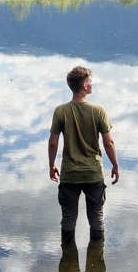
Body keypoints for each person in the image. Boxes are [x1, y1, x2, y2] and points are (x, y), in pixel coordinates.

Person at [47, 65, 120, 241]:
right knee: (96, 219)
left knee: (68, 219)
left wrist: (52, 166)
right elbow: (108, 143)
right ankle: (97, 259)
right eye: (90, 81)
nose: (92, 84)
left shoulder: (60, 111)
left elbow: (52, 143)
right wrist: (116, 165)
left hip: (70, 174)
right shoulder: (98, 111)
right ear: (85, 86)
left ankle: (67, 259)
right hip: (93, 174)